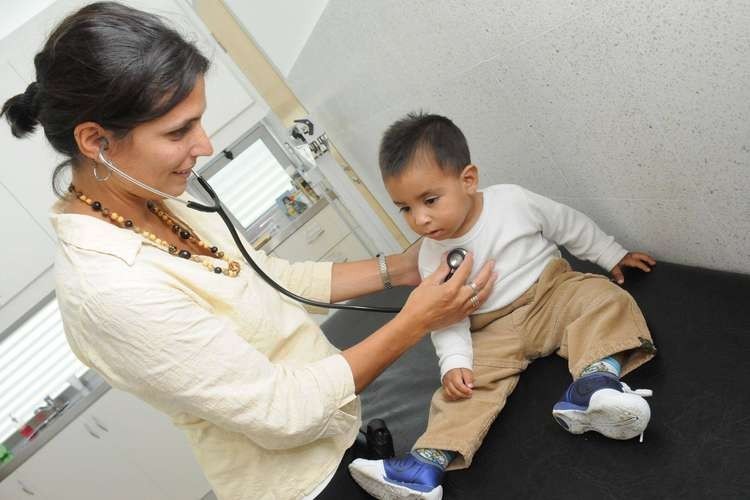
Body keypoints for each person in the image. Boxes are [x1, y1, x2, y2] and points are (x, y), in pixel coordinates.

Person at [0, 6, 496, 500]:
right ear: (96, 141)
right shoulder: (111, 291)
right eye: (178, 132)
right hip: (303, 484)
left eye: (198, 122)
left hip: (340, 425)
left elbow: (271, 277)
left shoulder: (161, 198)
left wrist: (402, 268)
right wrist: (415, 321)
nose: (205, 144)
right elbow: (282, 413)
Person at [349, 113, 658, 500]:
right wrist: (455, 363)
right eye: (405, 209)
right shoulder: (430, 257)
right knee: (462, 391)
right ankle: (424, 465)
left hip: (550, 294)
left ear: (468, 180)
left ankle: (595, 385)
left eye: (429, 200)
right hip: (489, 329)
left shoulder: (512, 201)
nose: (420, 220)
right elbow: (445, 318)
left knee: (605, 299)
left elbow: (568, 224)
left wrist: (612, 254)